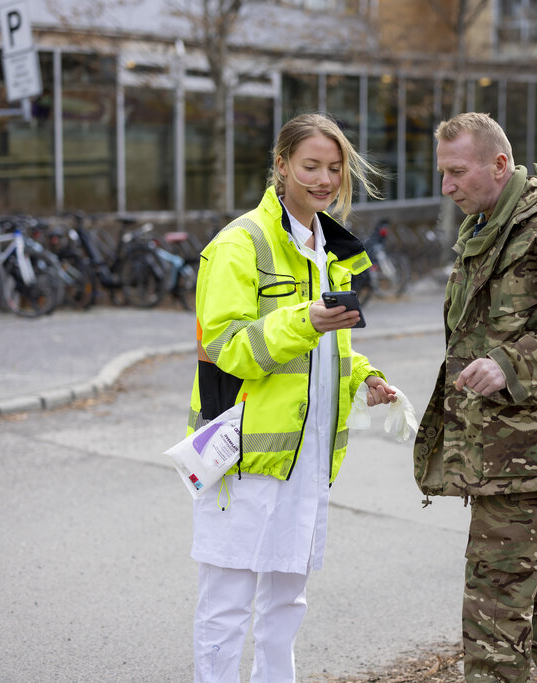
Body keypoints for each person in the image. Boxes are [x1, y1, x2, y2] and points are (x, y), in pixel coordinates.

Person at [188, 112, 396, 683]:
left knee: (287, 602)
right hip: (244, 455)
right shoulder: (238, 244)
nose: (325, 179)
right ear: (280, 166)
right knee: (227, 603)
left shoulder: (331, 248)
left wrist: (367, 377)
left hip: (307, 459)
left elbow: (329, 353)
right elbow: (227, 348)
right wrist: (306, 319)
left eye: (335, 168)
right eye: (311, 166)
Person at [414, 112, 537, 681]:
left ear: (499, 165)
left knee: (494, 613)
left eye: (457, 172)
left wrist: (509, 365)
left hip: (526, 451)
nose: (447, 186)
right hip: (504, 448)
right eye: (443, 173)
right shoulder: (489, 223)